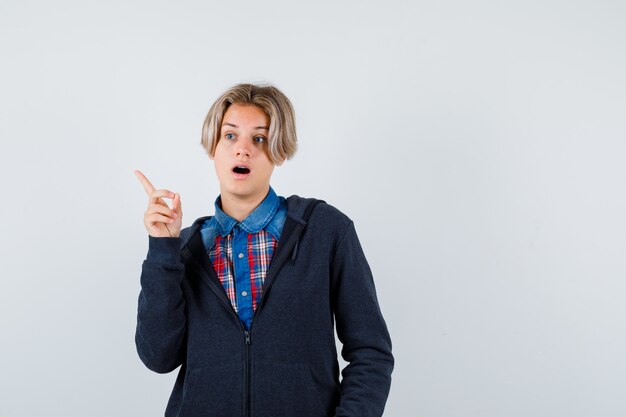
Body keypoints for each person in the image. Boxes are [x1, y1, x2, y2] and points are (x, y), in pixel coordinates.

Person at [134, 83, 394, 417]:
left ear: (279, 151)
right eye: (230, 136)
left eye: (259, 139)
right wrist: (162, 249)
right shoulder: (185, 248)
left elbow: (371, 351)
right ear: (213, 146)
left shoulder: (325, 231)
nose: (242, 150)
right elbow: (158, 357)